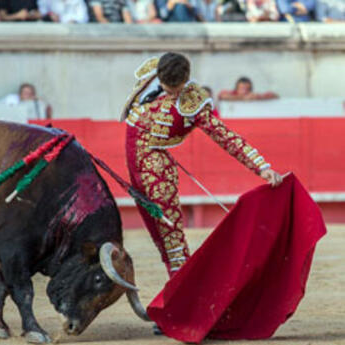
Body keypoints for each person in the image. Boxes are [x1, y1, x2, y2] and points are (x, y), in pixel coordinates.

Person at [121, 52, 282, 276]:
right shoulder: (151, 73)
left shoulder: (194, 101)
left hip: (155, 165)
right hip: (136, 161)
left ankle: (182, 285)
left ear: (186, 81)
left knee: (170, 232)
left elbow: (224, 135)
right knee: (157, 230)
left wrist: (261, 166)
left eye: (175, 90)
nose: (171, 94)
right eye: (167, 89)